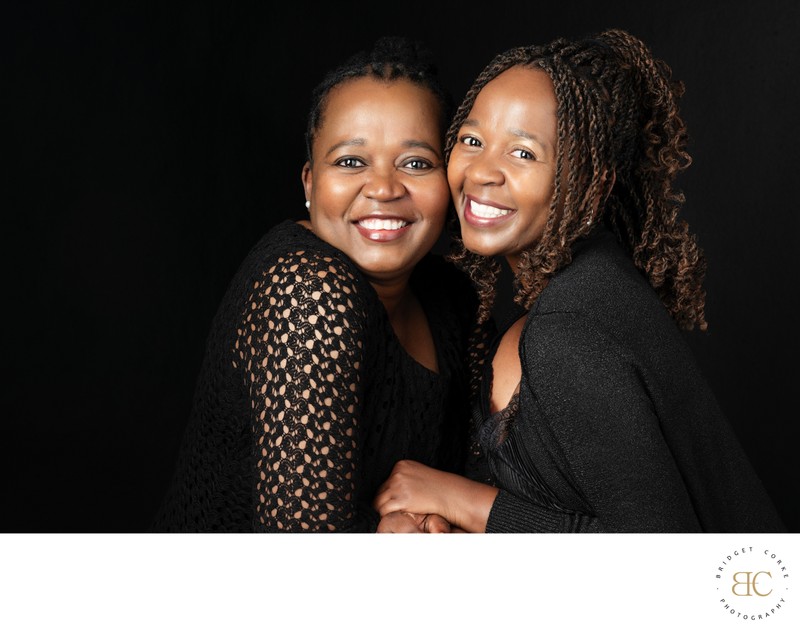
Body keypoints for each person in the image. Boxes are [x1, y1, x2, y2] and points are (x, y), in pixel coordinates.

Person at [372, 29, 786, 533]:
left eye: (523, 153)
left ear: (591, 183)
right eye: (472, 140)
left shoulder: (572, 329)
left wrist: (466, 502)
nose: (482, 171)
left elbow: (658, 560)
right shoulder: (584, 285)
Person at [150, 36, 479, 532]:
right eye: (351, 162)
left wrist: (444, 514)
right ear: (309, 183)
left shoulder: (452, 296)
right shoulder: (307, 292)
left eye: (416, 163)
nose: (385, 188)